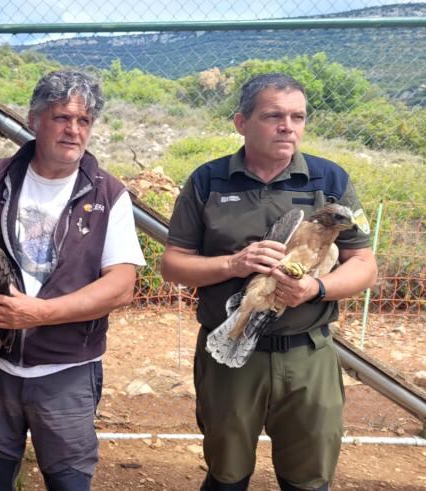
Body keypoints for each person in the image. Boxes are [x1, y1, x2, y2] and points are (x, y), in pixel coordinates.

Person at [161, 73, 378, 491]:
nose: (287, 127)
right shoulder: (208, 180)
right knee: (226, 476)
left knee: (309, 480)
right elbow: (173, 265)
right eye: (273, 116)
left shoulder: (330, 181)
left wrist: (316, 289)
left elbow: (364, 265)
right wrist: (233, 264)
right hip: (231, 350)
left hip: (307, 354)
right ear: (241, 122)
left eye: (298, 117)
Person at [0, 70, 145, 490]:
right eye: (62, 118)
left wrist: (38, 313)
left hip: (67, 369)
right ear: (35, 120)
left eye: (84, 120)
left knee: (69, 480)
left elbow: (122, 284)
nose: (74, 130)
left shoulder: (108, 194)